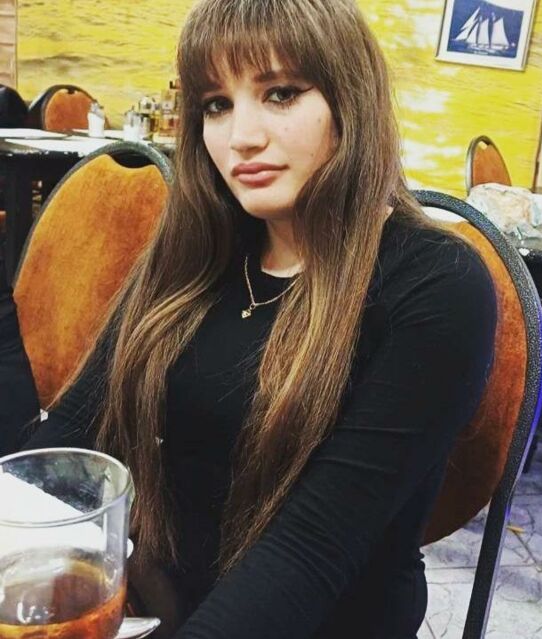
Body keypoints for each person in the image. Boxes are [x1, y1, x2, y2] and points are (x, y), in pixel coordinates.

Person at [7, 0, 497, 637]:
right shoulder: (196, 250)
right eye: (216, 104)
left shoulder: (436, 285)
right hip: (158, 607)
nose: (241, 136)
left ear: (350, 100)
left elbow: (311, 552)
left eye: (281, 93)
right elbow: (77, 429)